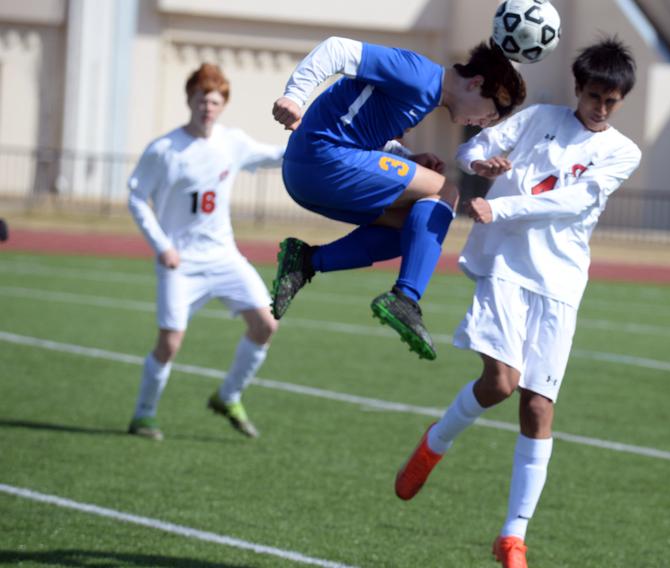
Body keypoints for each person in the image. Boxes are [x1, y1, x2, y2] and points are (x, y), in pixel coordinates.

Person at [394, 38, 642, 567]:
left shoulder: (622, 151)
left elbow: (573, 200)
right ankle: (435, 442)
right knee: (501, 384)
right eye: (594, 95)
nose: (600, 108)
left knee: (537, 406)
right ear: (579, 89)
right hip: (506, 268)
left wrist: (500, 208)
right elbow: (470, 147)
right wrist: (483, 162)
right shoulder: (538, 119)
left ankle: (512, 536)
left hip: (560, 283)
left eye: (611, 101)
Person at [269, 36, 526, 360]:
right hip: (320, 160)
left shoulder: (426, 96)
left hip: (312, 172)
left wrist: (408, 157)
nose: (482, 124)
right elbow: (337, 48)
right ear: (476, 83)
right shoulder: (419, 74)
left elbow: (358, 131)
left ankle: (306, 261)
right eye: (489, 115)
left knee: (415, 228)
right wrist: (294, 96)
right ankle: (405, 298)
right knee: (446, 192)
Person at [126, 63, 284, 441]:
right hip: (179, 261)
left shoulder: (232, 142)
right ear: (189, 100)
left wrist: (319, 144)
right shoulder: (164, 148)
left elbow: (276, 155)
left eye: (214, 101)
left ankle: (228, 396)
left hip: (223, 256)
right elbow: (135, 195)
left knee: (266, 324)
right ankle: (143, 415)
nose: (207, 107)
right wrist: (162, 246)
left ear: (223, 104)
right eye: (201, 99)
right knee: (170, 343)